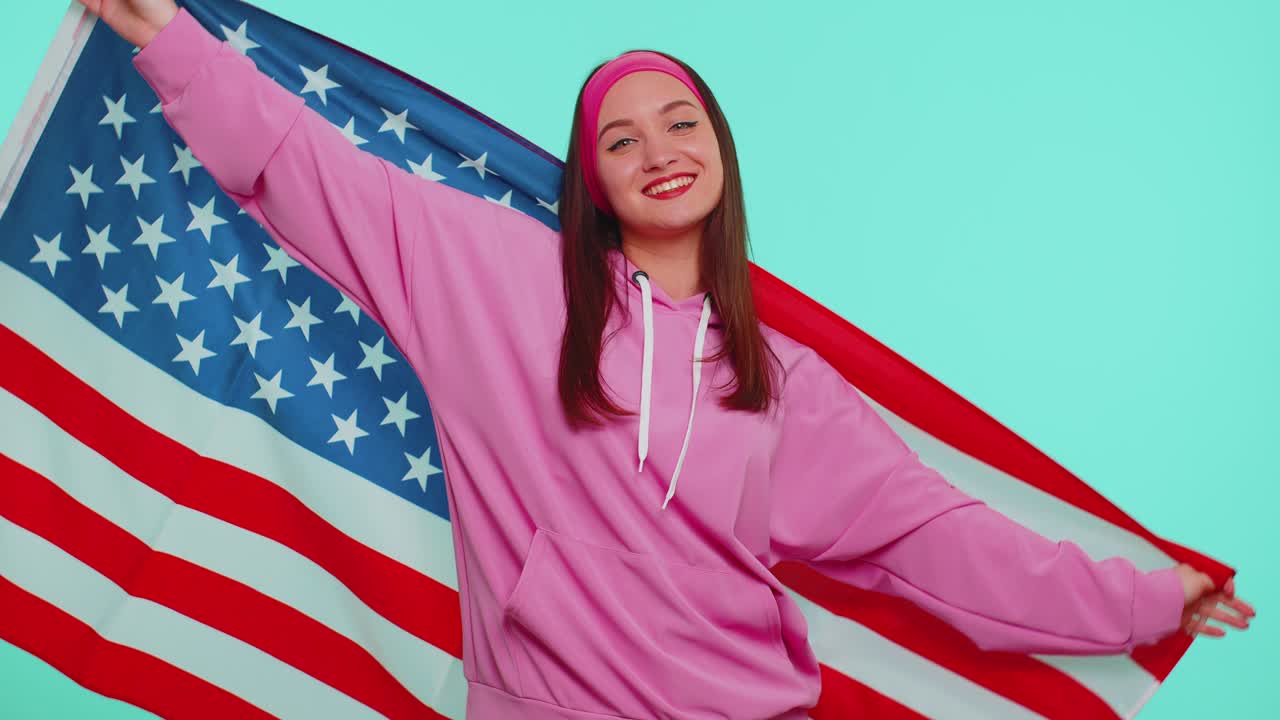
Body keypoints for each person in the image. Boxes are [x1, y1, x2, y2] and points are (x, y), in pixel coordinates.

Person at [79, 1, 1255, 718]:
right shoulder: (492, 277)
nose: (657, 152)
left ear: (722, 154)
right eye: (619, 137)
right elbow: (312, 171)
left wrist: (1148, 598)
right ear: (589, 179)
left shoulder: (786, 388)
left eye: (681, 123)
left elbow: (951, 550)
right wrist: (165, 37)